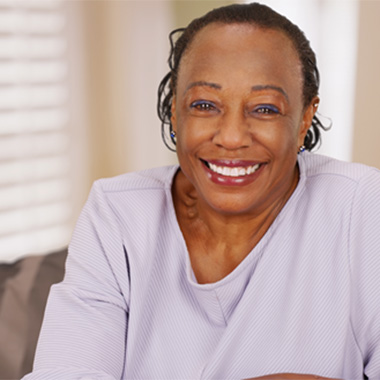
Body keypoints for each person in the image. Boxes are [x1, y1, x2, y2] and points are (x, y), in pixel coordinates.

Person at [23, 2, 380, 380]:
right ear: (175, 112)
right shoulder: (117, 213)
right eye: (205, 105)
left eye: (264, 109)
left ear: (306, 115)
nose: (230, 137)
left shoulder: (360, 206)